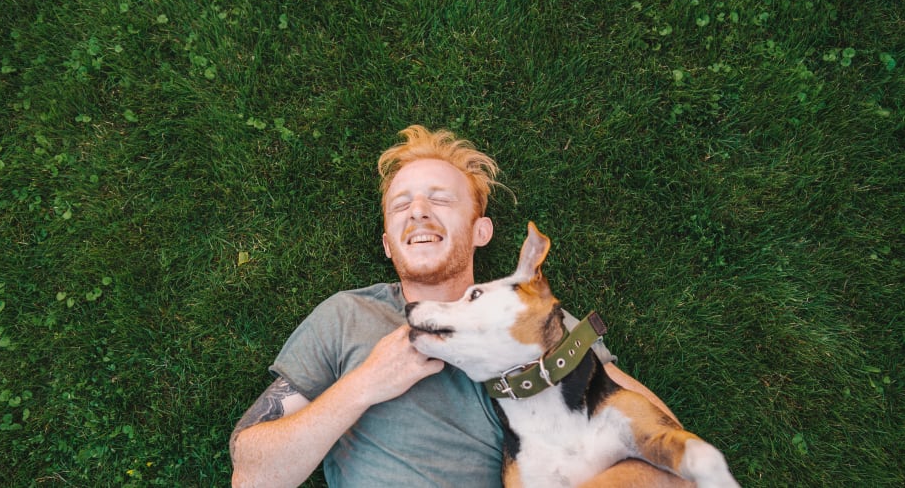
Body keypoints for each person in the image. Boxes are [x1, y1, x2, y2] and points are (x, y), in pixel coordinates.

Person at [230, 125, 691, 487]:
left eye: (440, 199)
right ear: (388, 245)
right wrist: (366, 383)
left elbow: (673, 459)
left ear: (480, 231)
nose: (418, 212)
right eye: (401, 205)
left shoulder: (533, 317)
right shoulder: (346, 316)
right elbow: (253, 477)